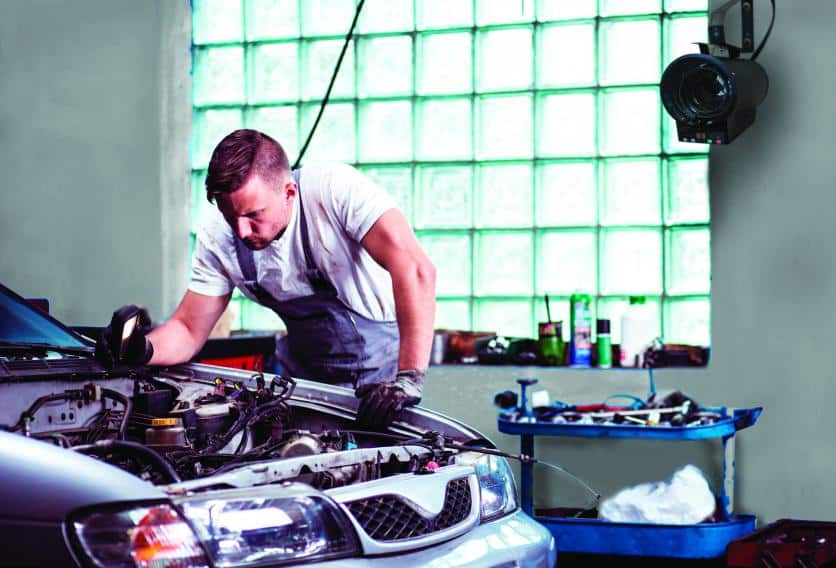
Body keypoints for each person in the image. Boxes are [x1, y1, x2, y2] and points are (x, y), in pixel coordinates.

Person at [95, 129, 437, 429]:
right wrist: (143, 348)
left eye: (253, 215)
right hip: (306, 381)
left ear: (289, 193)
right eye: (231, 217)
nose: (242, 231)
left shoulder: (334, 191)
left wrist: (407, 379)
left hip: (382, 385)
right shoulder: (219, 237)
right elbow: (187, 329)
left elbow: (415, 269)